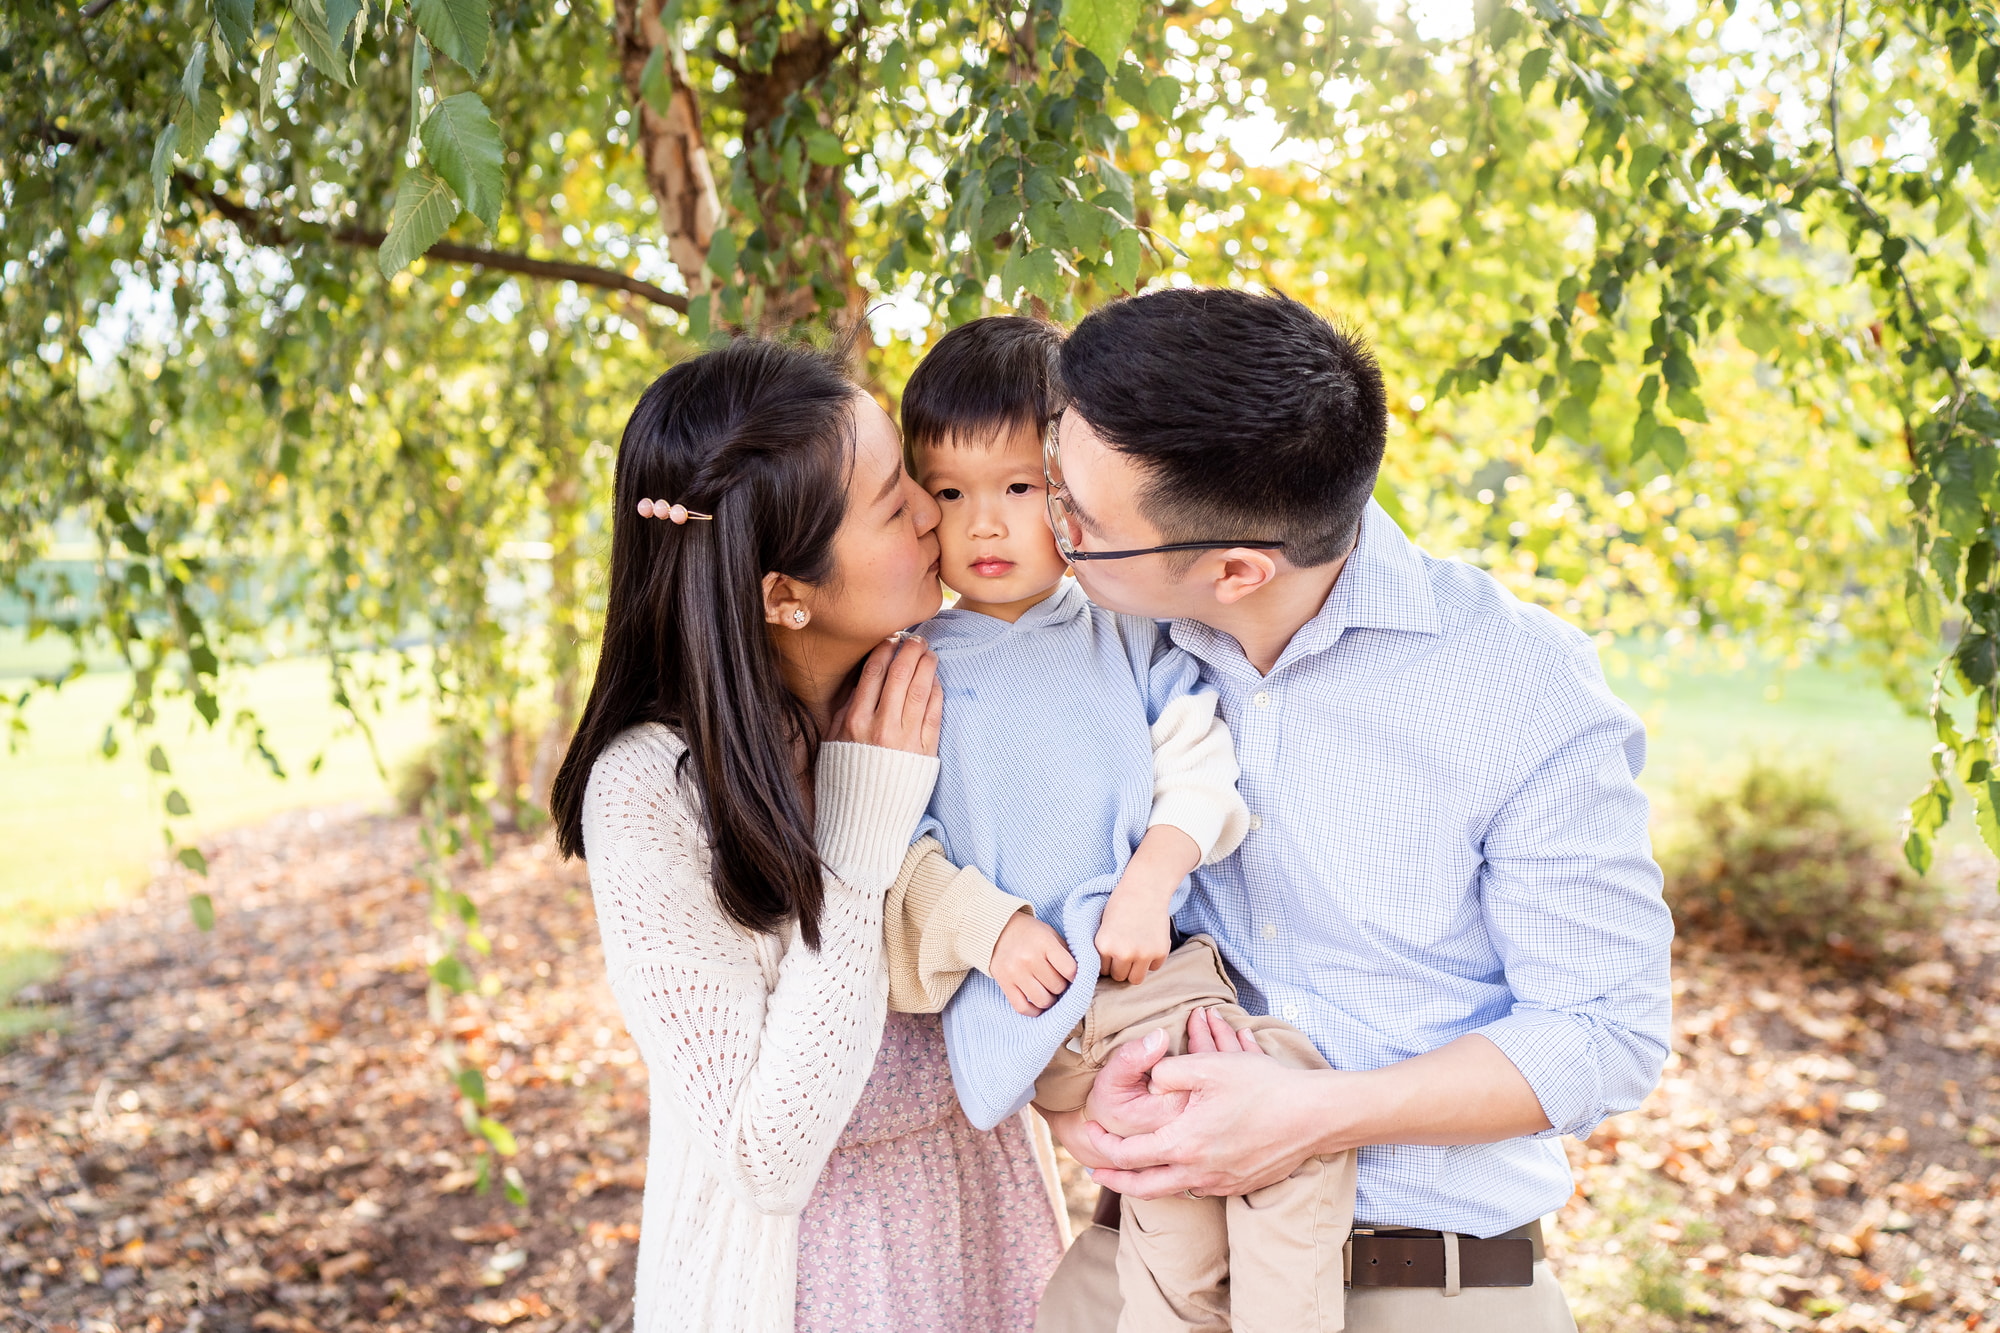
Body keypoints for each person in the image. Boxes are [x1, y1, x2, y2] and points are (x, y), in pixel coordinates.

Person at [1032, 288, 1675, 1332]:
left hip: (1427, 1286)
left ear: (1234, 570)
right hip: (1140, 1266)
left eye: (1082, 524)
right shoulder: (1093, 647)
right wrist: (1067, 1101)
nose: (1048, 531)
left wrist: (1313, 1117)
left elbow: (1601, 1032)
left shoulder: (1522, 689)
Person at [547, 339, 1063, 1333]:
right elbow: (767, 1156)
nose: (931, 510)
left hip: (987, 1223)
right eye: (890, 501)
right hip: (808, 1279)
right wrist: (862, 833)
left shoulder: (935, 677)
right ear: (783, 592)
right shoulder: (652, 792)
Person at [876, 315, 1357, 1333]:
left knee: (1291, 1141)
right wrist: (989, 928)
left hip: (1151, 974)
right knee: (1178, 1215)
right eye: (950, 495)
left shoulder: (1124, 633)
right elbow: (893, 849)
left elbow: (1197, 764)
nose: (985, 528)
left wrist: (1148, 879)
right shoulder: (905, 663)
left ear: (1071, 495)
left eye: (1018, 490)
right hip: (1039, 1008)